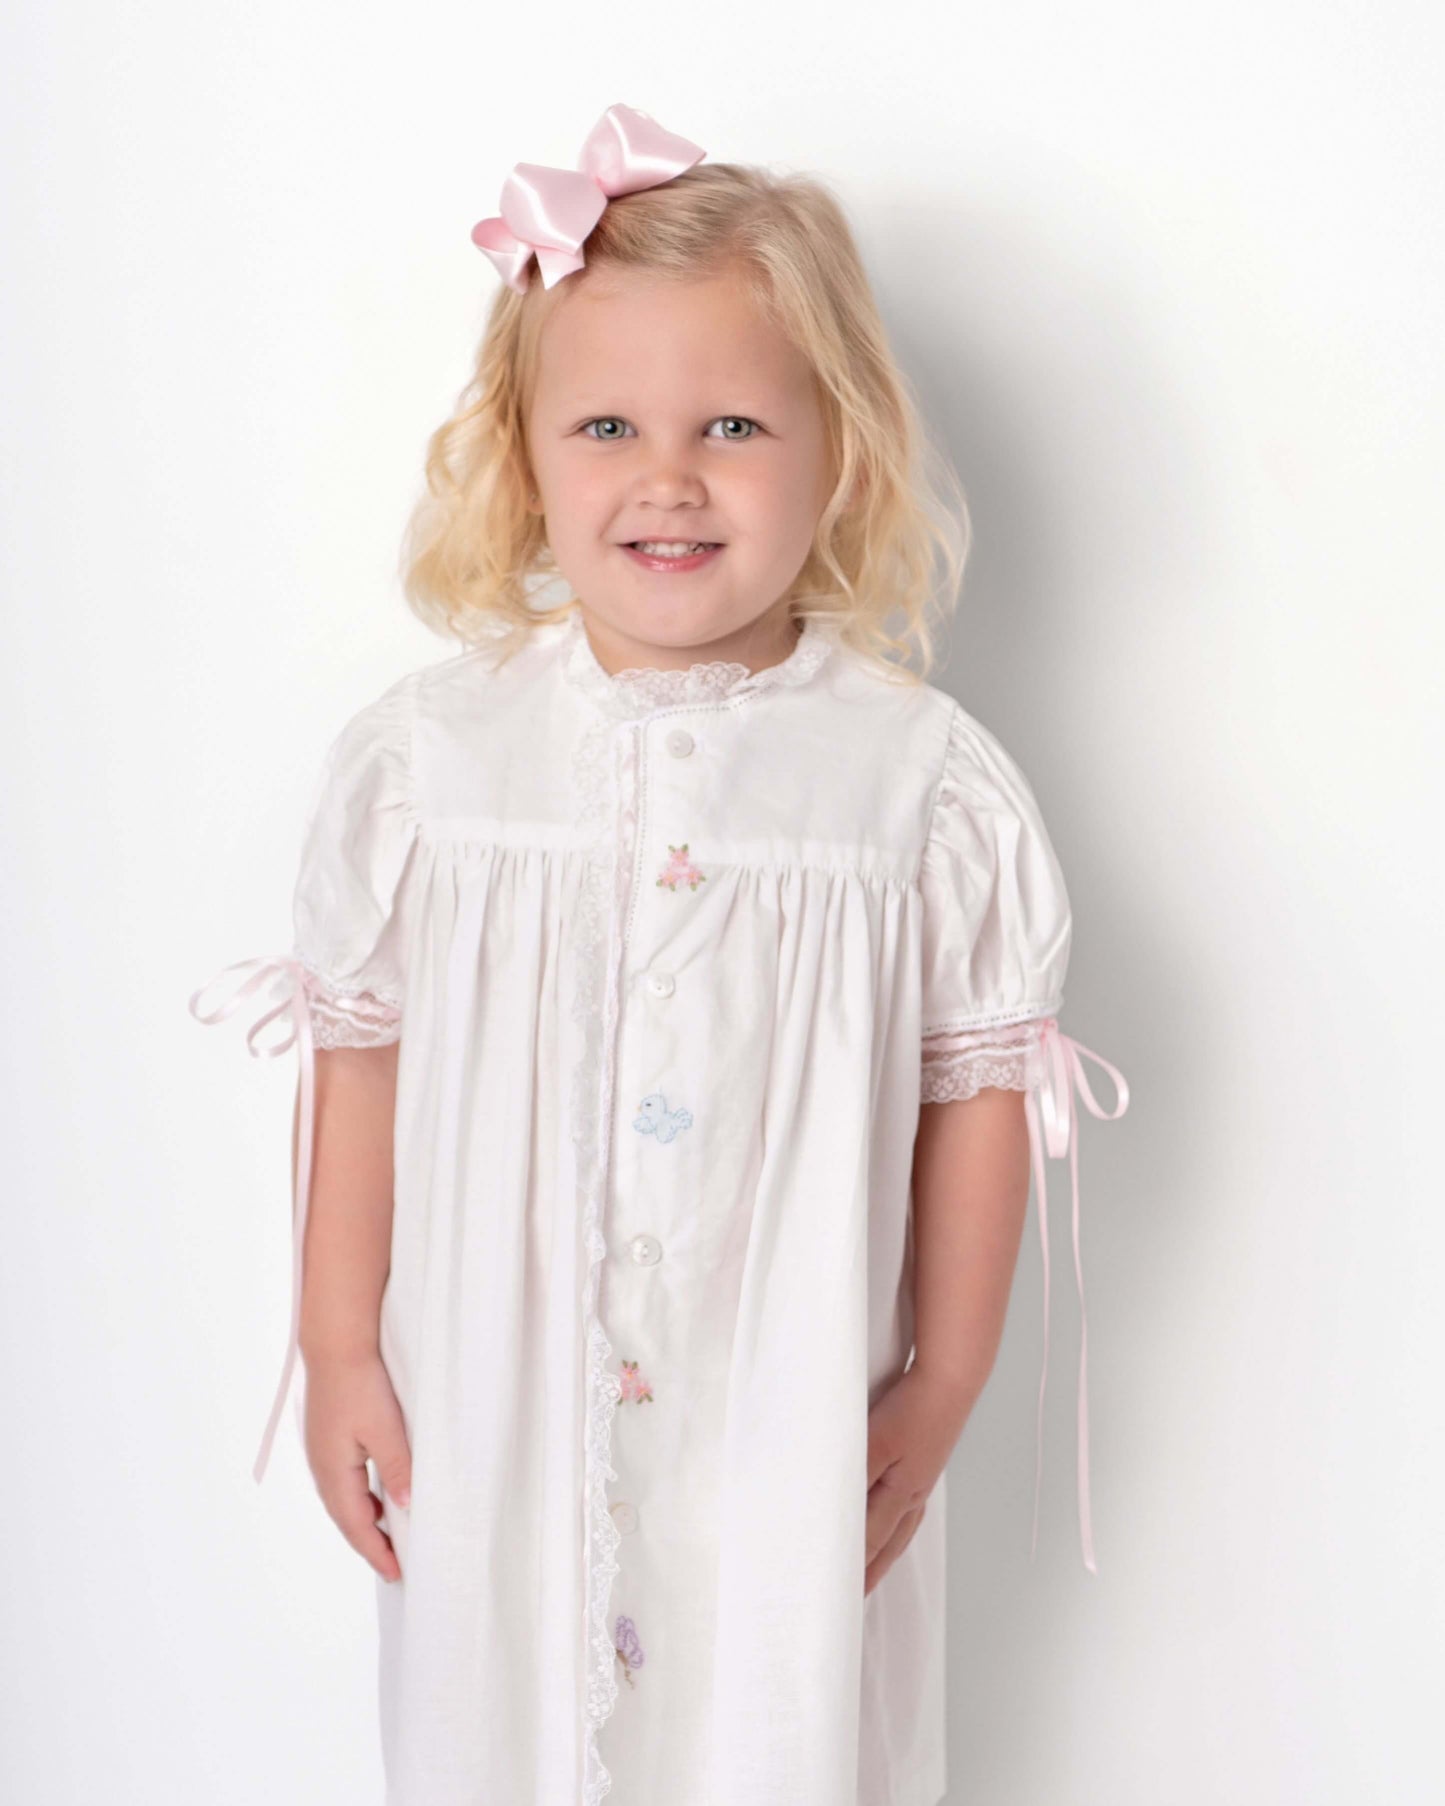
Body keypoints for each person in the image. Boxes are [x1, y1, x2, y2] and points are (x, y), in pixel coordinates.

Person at [188, 102, 1128, 1806]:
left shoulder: (914, 783)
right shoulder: (431, 765)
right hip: (496, 1403)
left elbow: (975, 1085)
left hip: (785, 1411)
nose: (667, 476)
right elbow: (362, 1059)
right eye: (607, 423)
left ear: (837, 447)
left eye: (734, 425)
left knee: (780, 1730)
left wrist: (945, 1377)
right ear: (523, 452)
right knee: (498, 1722)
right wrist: (339, 1340)